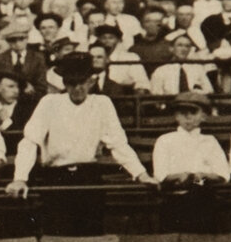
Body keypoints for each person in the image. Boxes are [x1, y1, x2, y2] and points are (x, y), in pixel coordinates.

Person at [8, 53, 146, 196]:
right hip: (56, 177)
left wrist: (141, 174)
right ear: (65, 84)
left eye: (82, 82)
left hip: (88, 176)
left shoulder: (102, 103)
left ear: (90, 82)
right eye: (72, 83)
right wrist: (20, 179)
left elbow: (118, 144)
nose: (78, 88)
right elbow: (29, 142)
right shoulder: (49, 103)